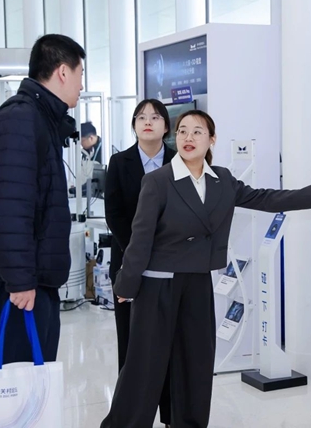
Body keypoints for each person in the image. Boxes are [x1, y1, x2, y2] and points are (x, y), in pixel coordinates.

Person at [100, 110, 311, 428]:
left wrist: (309, 195)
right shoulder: (158, 181)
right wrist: (126, 284)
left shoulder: (222, 180)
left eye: (197, 132)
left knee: (195, 361)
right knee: (144, 366)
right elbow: (140, 237)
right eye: (182, 131)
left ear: (211, 140)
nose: (188, 137)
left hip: (198, 281)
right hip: (159, 284)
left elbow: (262, 198)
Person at [0, 34, 85, 365]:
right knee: (15, 384)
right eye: (80, 75)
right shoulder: (20, 119)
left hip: (30, 279)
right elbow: (7, 207)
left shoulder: (39, 118)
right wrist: (20, 281)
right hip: (17, 287)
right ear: (63, 72)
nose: (81, 85)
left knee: (33, 384)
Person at [104, 98, 176, 427]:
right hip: (128, 264)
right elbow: (114, 214)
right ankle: (131, 416)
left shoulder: (179, 160)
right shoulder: (119, 162)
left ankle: (171, 414)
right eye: (141, 117)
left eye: (155, 117)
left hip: (172, 265)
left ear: (166, 126)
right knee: (132, 342)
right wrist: (138, 253)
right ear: (134, 125)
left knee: (170, 342)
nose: (148, 121)